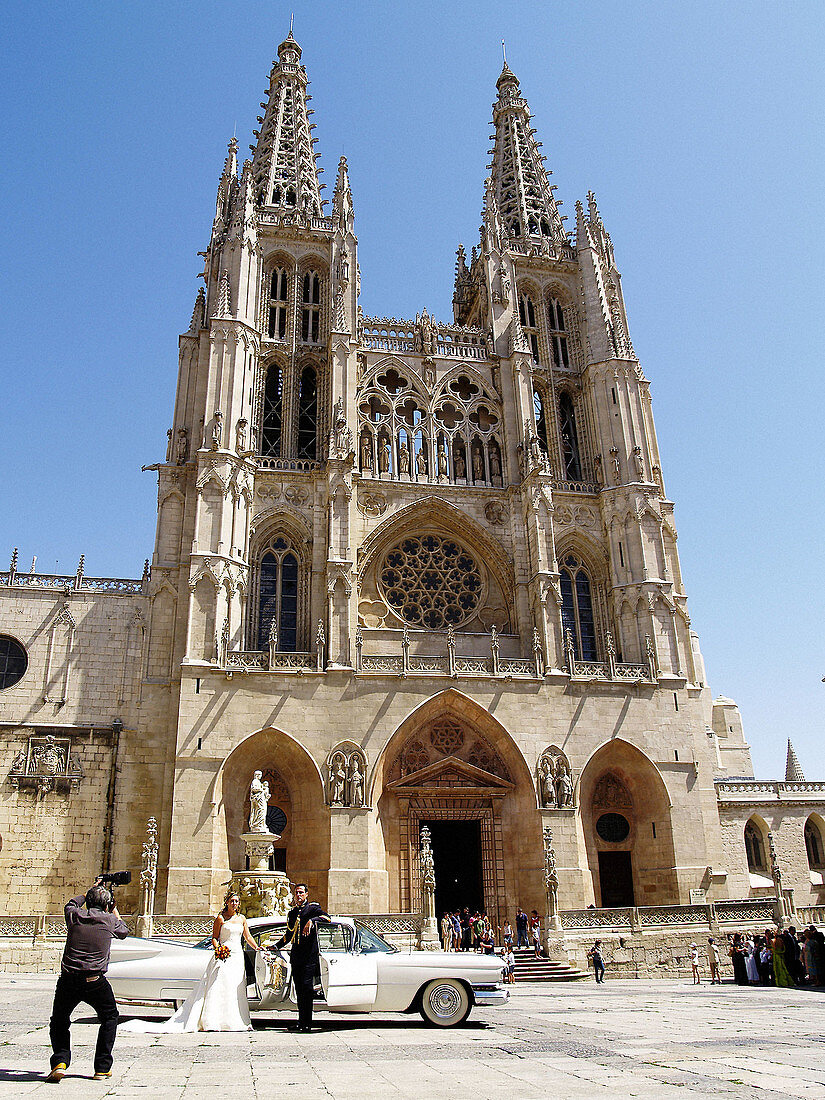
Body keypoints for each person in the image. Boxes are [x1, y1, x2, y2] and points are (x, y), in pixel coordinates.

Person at [122, 891, 261, 1034]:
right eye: (232, 901)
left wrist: (257, 947)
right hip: (223, 956)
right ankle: (213, 1020)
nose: (234, 903)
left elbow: (248, 936)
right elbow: (214, 937)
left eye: (236, 901)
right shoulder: (220, 918)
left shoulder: (242, 919)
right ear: (227, 902)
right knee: (219, 986)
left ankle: (235, 1021)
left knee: (235, 988)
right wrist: (218, 948)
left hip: (237, 957)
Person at [47, 879, 129, 1082]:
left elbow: (71, 904)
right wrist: (113, 910)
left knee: (59, 1021)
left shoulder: (75, 916)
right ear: (107, 905)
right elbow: (124, 931)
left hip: (69, 980)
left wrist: (87, 892)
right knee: (109, 1017)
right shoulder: (109, 920)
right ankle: (102, 1068)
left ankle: (60, 1061)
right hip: (95, 981)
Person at [273, 883, 329, 1032]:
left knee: (307, 989)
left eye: (301, 893)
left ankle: (307, 1024)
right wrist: (276, 946)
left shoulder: (312, 909)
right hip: (296, 956)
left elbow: (327, 918)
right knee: (298, 990)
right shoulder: (292, 913)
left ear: (306, 894)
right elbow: (288, 934)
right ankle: (301, 1022)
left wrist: (312, 921)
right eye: (296, 893)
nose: (298, 895)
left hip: (309, 957)